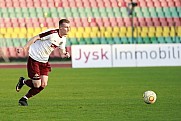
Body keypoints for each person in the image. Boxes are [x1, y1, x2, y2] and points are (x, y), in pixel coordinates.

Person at [16, 19, 71, 106]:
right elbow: (36, 37)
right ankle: (23, 82)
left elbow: (62, 52)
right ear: (60, 27)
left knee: (43, 84)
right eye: (66, 27)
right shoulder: (52, 33)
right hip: (34, 59)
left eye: (69, 27)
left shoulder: (63, 38)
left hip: (44, 61)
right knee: (37, 84)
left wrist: (65, 53)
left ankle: (24, 99)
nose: (69, 29)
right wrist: (24, 48)